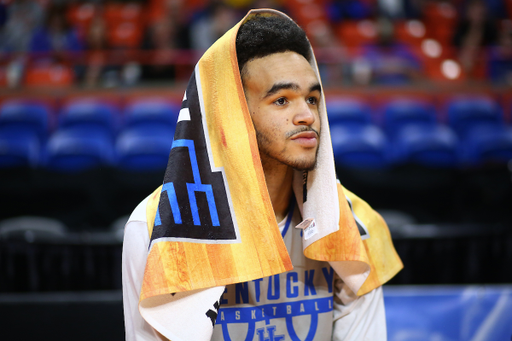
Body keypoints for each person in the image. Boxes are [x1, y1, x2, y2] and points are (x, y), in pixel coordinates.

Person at [122, 9, 402, 341]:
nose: (306, 115)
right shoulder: (156, 227)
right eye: (282, 100)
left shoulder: (355, 225)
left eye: (312, 98)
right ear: (233, 115)